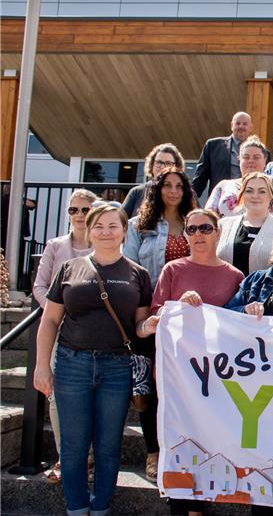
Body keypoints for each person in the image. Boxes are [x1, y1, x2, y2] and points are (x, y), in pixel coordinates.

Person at [33, 203, 153, 516]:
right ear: (89, 230)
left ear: (124, 231)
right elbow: (49, 321)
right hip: (73, 363)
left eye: (113, 226)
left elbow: (138, 327)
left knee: (108, 446)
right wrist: (42, 365)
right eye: (98, 225)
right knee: (73, 446)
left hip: (117, 367)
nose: (105, 232)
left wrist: (150, 325)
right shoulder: (70, 268)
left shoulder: (138, 275)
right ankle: (76, 508)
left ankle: (100, 509)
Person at [139, 208, 244, 516]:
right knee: (180, 447)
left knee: (208, 446)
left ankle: (200, 507)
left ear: (218, 232)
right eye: (192, 229)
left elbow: (237, 329)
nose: (198, 235)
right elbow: (156, 317)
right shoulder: (172, 270)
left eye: (205, 228)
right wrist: (176, 307)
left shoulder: (235, 276)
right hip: (177, 376)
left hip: (215, 378)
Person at [123, 169, 196, 482]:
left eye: (179, 186)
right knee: (147, 388)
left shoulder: (196, 224)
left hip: (186, 323)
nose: (173, 191)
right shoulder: (140, 226)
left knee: (183, 388)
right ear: (157, 189)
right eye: (167, 185)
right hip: (148, 317)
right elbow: (129, 267)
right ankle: (153, 452)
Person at [33, 188, 99, 484]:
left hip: (96, 332)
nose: (79, 215)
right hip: (60, 328)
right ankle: (68, 456)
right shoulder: (55, 245)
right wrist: (58, 310)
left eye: (85, 210)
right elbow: (39, 285)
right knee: (57, 397)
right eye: (74, 210)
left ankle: (91, 456)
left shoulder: (107, 245)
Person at [217, 172, 273, 277]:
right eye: (249, 191)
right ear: (242, 194)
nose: (255, 196)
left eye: (262, 191)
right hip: (226, 291)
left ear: (272, 196)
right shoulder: (223, 225)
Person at [206, 135, 273, 218]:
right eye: (246, 157)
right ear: (239, 160)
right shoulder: (223, 185)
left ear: (265, 161)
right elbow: (209, 214)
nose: (251, 161)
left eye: (256, 157)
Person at [191, 111, 253, 198]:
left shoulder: (261, 152)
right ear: (232, 125)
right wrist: (189, 199)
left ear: (250, 127)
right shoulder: (213, 146)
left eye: (245, 124)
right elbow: (200, 177)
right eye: (238, 123)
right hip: (219, 200)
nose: (241, 126)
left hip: (249, 201)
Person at [122, 143, 186, 218]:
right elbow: (120, 221)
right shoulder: (136, 193)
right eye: (159, 162)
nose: (162, 167)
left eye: (168, 163)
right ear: (151, 166)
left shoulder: (187, 193)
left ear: (177, 167)